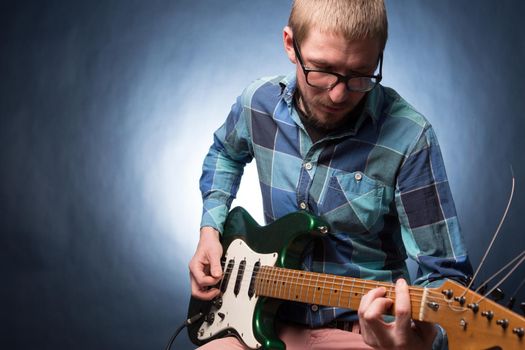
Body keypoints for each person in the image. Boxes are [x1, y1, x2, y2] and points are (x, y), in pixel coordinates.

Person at [189, 0, 473, 349]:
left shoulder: (410, 137)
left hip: (362, 334)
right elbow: (225, 154)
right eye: (322, 69)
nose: (339, 94)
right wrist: (210, 230)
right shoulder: (256, 104)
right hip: (263, 320)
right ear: (291, 45)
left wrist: (420, 340)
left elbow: (447, 278)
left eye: (359, 75)